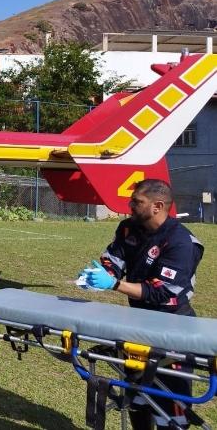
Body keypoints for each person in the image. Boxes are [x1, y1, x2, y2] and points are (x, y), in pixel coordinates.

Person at [82, 179, 204, 430]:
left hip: (173, 325)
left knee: (171, 406)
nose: (130, 206)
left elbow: (162, 292)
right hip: (138, 323)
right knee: (136, 395)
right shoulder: (129, 228)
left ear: (158, 206)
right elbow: (114, 257)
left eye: (137, 202)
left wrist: (114, 285)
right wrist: (101, 272)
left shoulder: (181, 242)